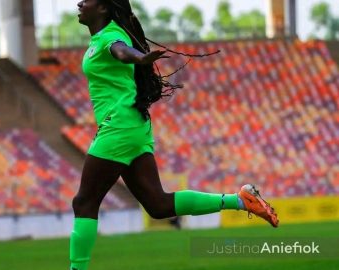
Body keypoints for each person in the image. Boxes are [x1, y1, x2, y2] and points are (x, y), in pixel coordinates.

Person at [70, 0, 279, 269]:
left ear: (102, 8)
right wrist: (138, 57)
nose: (79, 2)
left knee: (84, 202)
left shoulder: (109, 36)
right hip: (133, 126)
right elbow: (121, 52)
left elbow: (121, 52)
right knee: (158, 205)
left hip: (118, 128)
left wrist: (140, 57)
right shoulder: (106, 35)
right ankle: (241, 201)